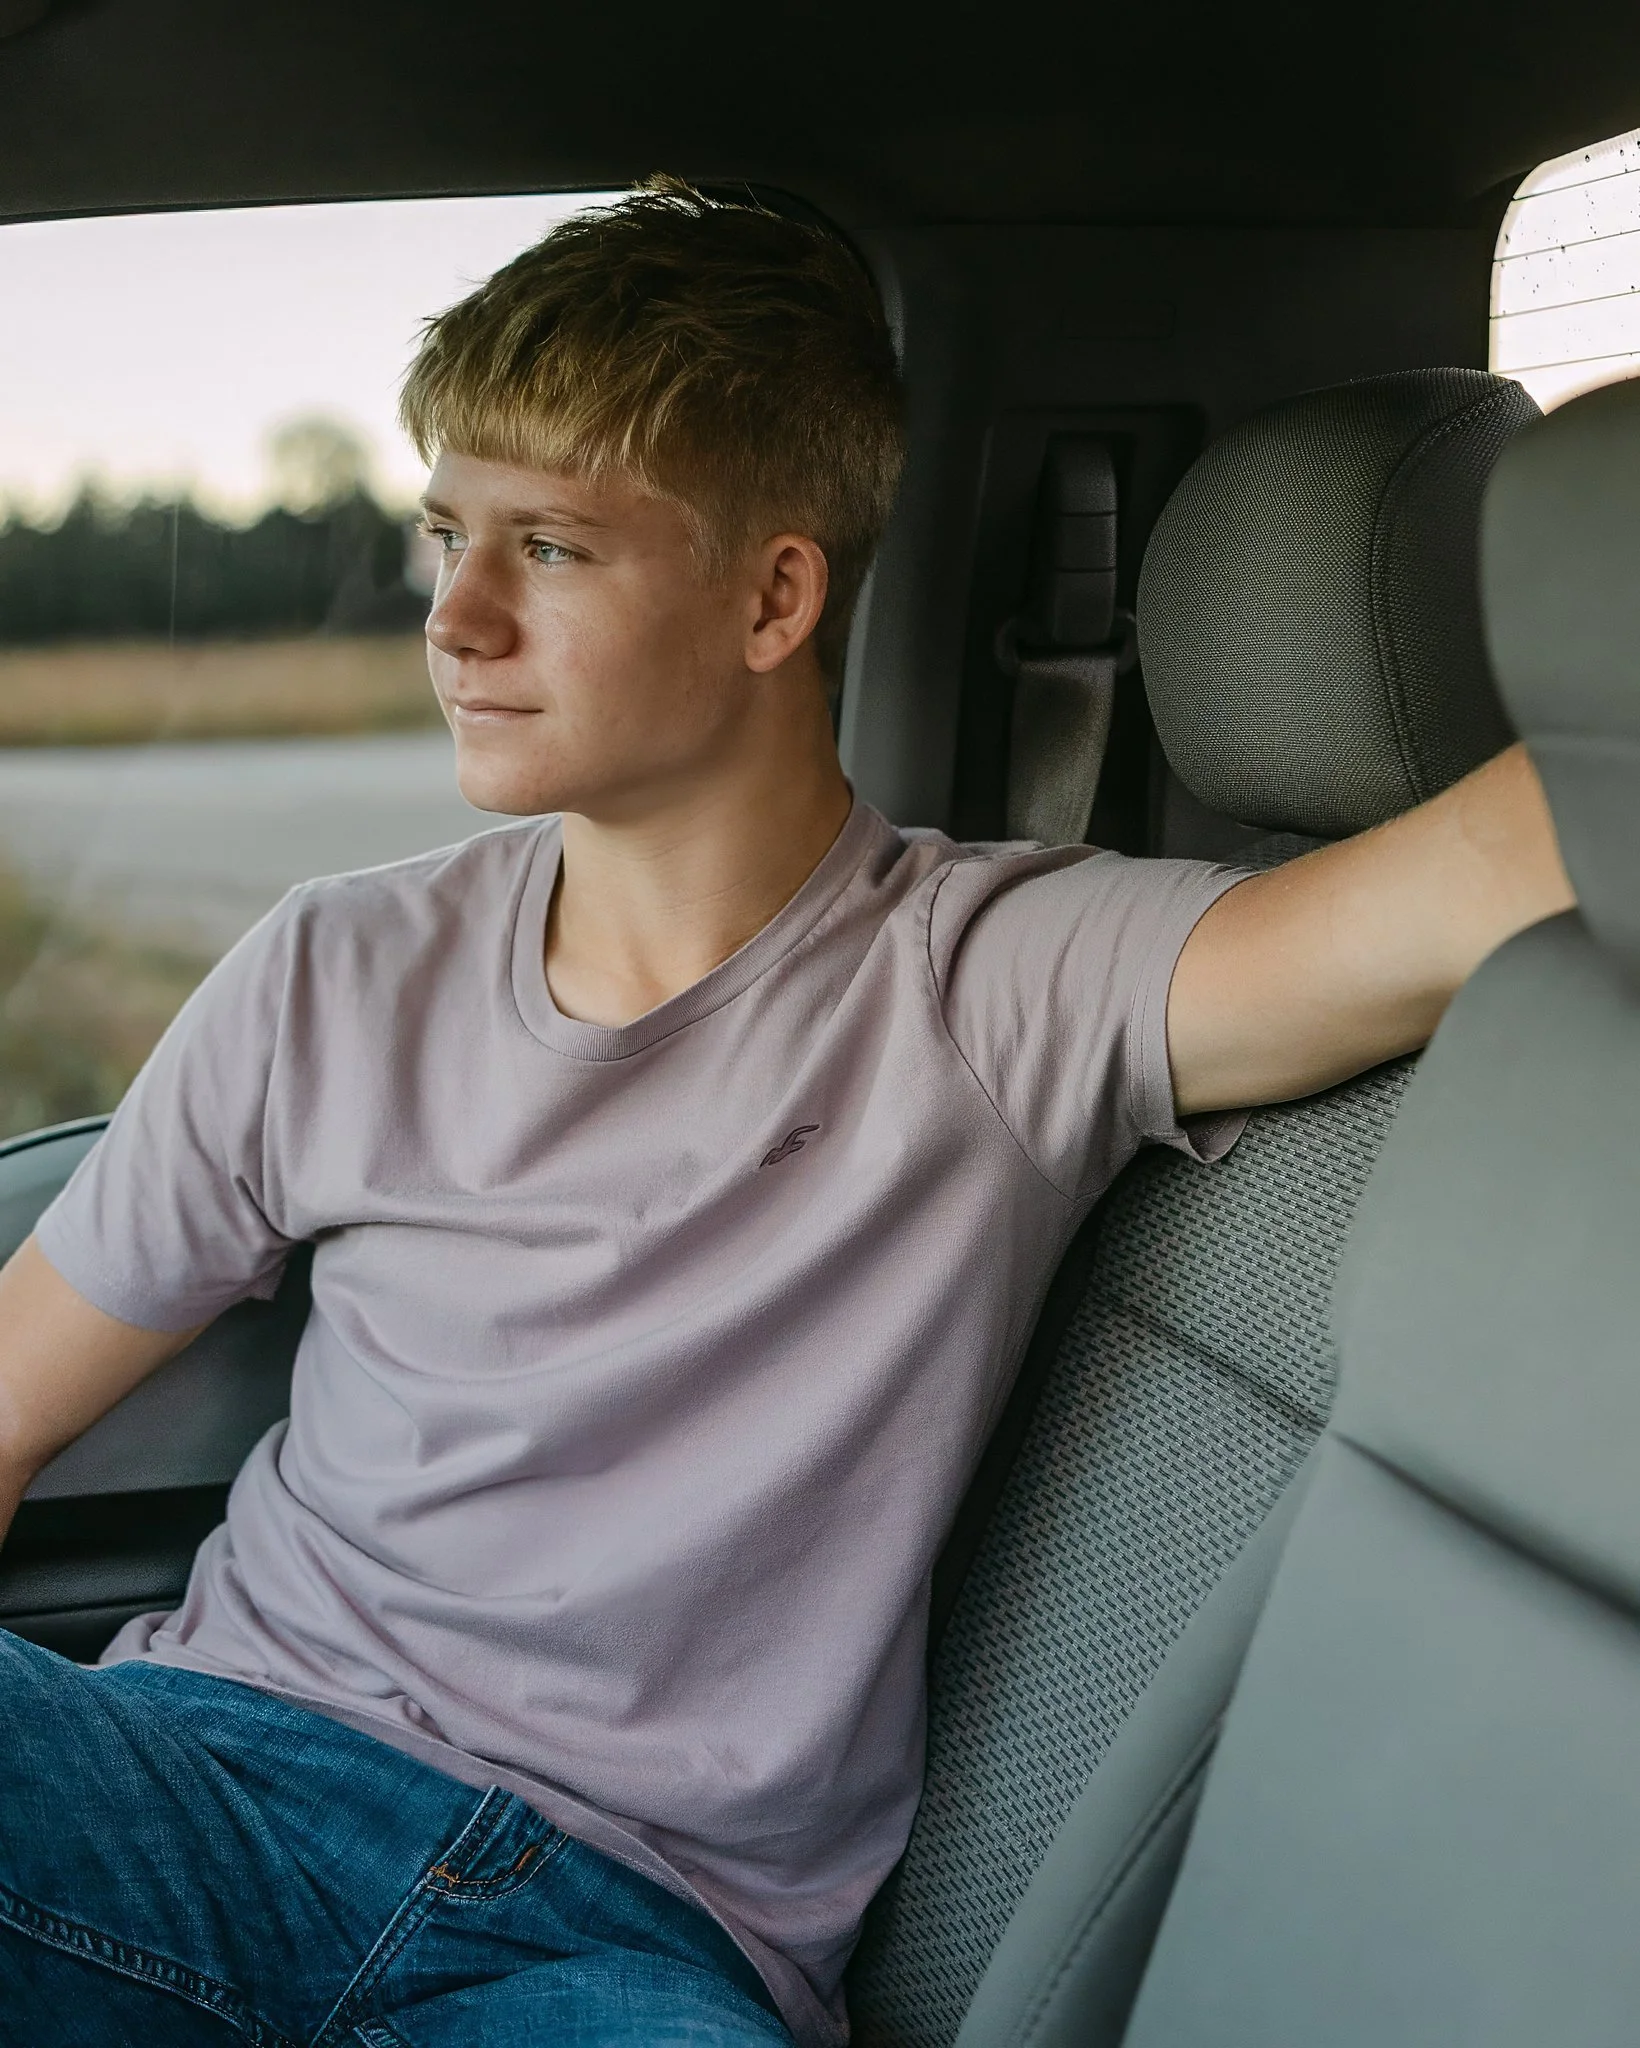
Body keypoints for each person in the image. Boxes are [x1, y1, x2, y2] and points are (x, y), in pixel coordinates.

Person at [0, 181, 1573, 2048]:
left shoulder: (1000, 977)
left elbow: (1480, 877)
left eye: (554, 548)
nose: (459, 618)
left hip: (621, 1938)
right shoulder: (331, 969)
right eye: (448, 534)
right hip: (199, 1789)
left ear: (774, 595)